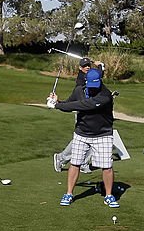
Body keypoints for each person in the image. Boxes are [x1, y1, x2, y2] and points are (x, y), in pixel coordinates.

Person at [47, 67, 120, 208]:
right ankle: (69, 193)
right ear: (86, 82)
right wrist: (58, 102)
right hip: (82, 132)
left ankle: (109, 196)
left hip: (102, 134)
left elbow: (84, 105)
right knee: (75, 164)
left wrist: (56, 106)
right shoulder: (79, 90)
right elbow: (69, 103)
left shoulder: (105, 95)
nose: (93, 89)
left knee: (107, 167)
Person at [52, 57, 94, 172]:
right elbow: (74, 102)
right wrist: (58, 103)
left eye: (89, 65)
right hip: (83, 114)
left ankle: (84, 163)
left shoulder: (92, 76)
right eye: (85, 66)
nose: (87, 67)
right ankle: (61, 158)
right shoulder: (81, 81)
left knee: (93, 139)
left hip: (93, 114)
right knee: (80, 140)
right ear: (80, 68)